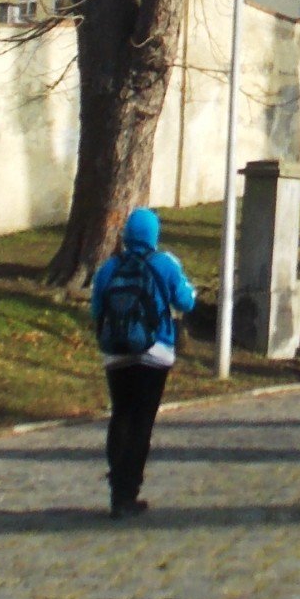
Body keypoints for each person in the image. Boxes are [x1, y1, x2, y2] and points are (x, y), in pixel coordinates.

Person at [89, 207, 197, 516]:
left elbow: (97, 309)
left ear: (126, 234)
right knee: (142, 422)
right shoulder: (165, 264)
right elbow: (186, 301)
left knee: (120, 414)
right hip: (155, 352)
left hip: (115, 354)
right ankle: (128, 490)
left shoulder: (109, 268)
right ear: (153, 234)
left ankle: (116, 486)